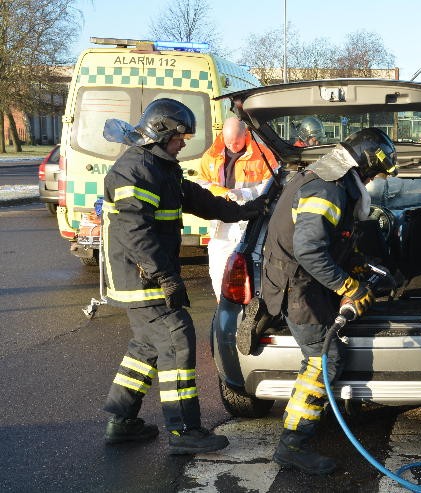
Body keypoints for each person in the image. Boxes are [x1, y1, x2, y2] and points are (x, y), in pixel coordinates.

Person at [101, 98, 268, 454]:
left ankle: (122, 421)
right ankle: (185, 431)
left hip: (147, 275)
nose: (184, 143)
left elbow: (201, 200)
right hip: (140, 277)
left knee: (147, 347)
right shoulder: (135, 169)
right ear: (161, 131)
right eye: (181, 136)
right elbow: (134, 232)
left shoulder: (162, 168)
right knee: (177, 340)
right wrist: (166, 277)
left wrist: (246, 211)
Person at [261, 127, 397, 474]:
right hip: (299, 290)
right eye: (377, 173)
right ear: (366, 166)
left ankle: (304, 424)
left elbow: (326, 238)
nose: (375, 181)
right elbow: (308, 248)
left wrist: (353, 263)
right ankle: (293, 443)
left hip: (305, 285)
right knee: (324, 360)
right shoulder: (329, 186)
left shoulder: (332, 179)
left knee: (323, 359)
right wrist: (348, 286)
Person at [197, 117, 279, 300]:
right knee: (218, 272)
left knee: (251, 273)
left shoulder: (262, 154)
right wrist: (222, 193)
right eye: (228, 142)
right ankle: (223, 308)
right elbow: (201, 184)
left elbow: (273, 185)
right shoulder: (211, 154)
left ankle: (250, 312)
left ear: (246, 135)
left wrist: (243, 194)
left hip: (250, 222)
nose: (233, 146)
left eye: (237, 141)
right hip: (221, 224)